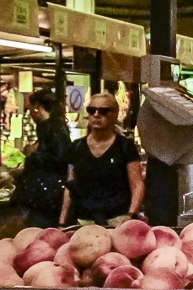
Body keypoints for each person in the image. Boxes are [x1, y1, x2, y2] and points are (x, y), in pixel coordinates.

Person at [59, 93, 144, 226]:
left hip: (117, 220)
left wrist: (131, 214)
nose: (96, 115)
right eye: (91, 110)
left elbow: (137, 184)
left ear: (114, 114)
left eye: (103, 111)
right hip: (83, 220)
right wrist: (62, 221)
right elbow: (70, 186)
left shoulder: (125, 147)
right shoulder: (76, 148)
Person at [11, 89, 71, 228]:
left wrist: (33, 153)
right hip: (45, 196)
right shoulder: (51, 127)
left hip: (46, 198)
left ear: (37, 107)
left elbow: (62, 159)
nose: (30, 112)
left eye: (30, 108)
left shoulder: (53, 128)